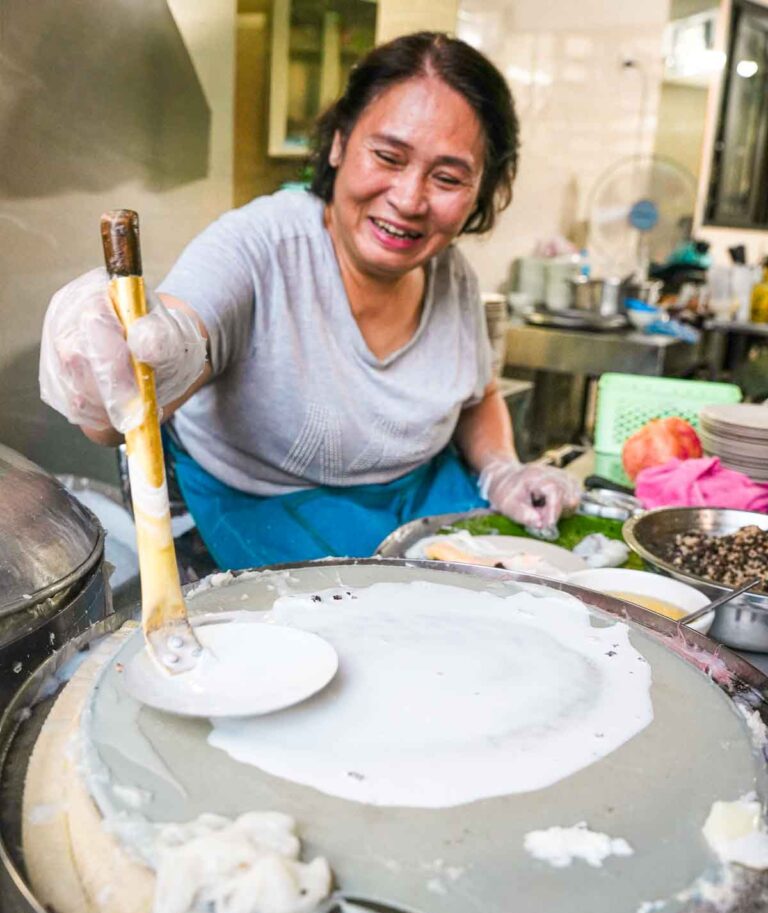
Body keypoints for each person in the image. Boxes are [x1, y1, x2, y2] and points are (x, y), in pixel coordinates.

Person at [39, 31, 580, 569]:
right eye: (389, 156)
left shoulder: (450, 272)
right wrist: (123, 363)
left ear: (480, 191)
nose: (411, 200)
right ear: (341, 142)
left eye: (447, 177)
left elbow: (477, 394)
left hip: (428, 503)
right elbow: (134, 395)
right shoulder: (258, 246)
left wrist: (504, 471)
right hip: (273, 515)